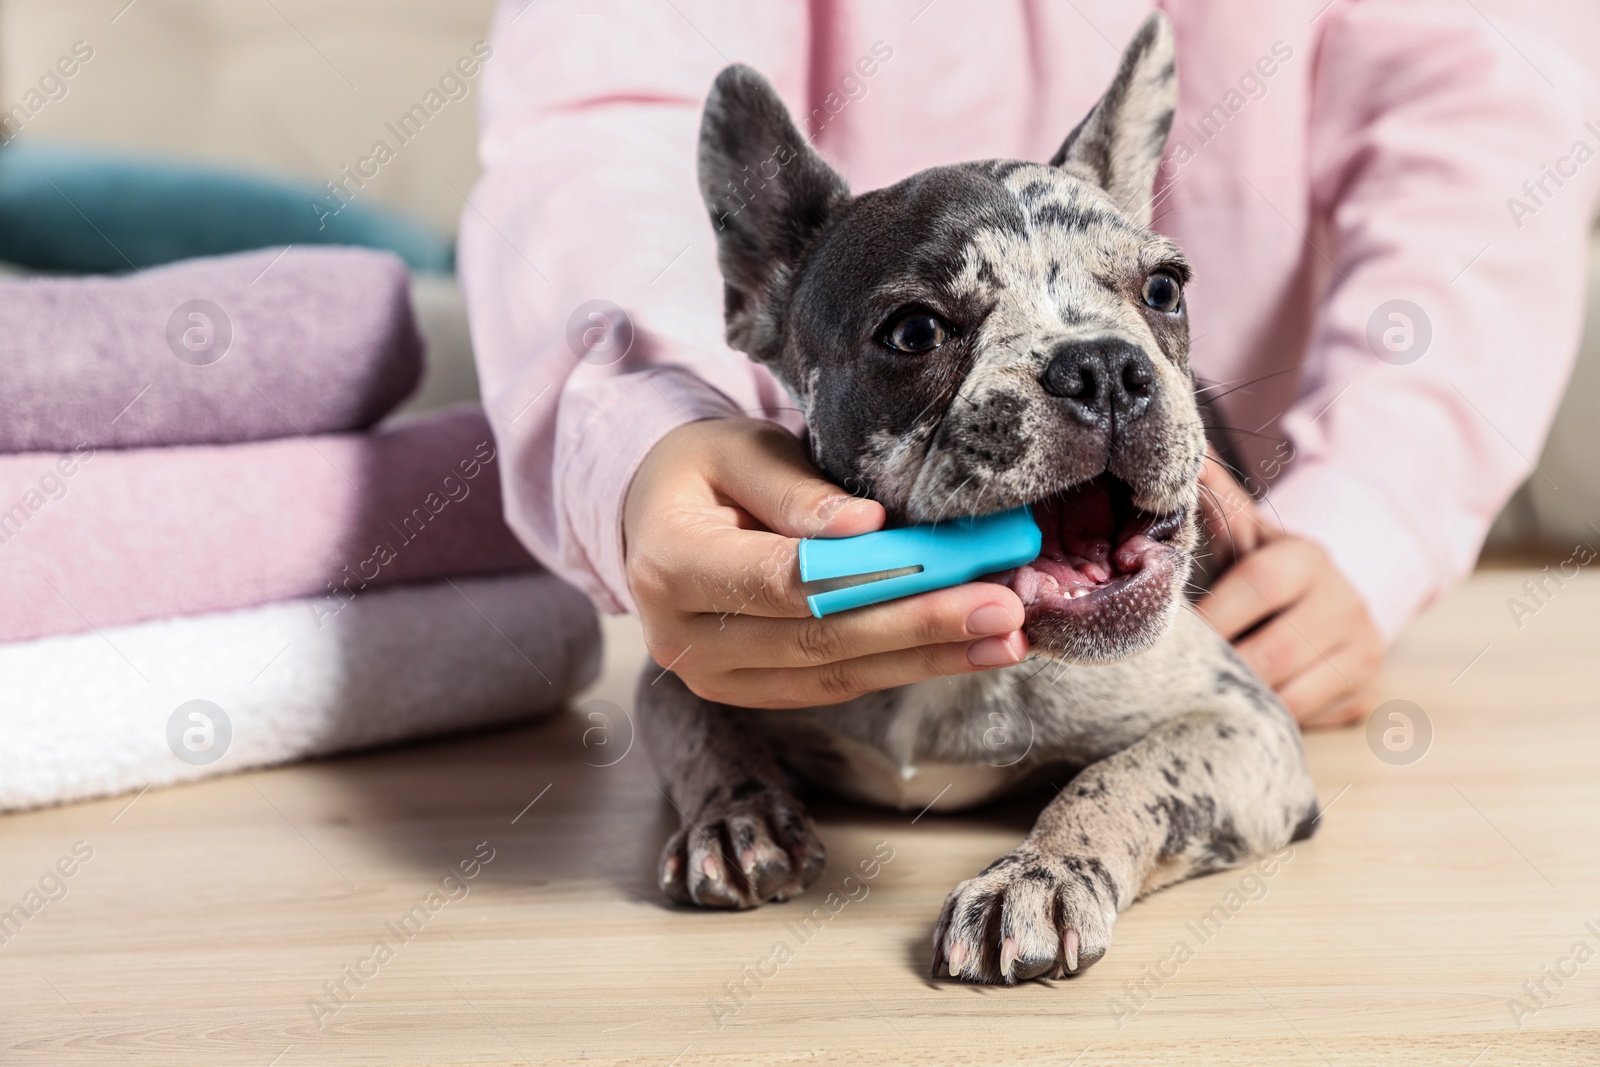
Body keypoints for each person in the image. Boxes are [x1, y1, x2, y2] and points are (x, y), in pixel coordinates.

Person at [458, 0, 1600, 726]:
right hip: (814, 614)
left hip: (1236, 588)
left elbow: (1494, 116)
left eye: (1155, 293)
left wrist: (1372, 514)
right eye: (918, 330)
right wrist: (646, 428)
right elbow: (601, 115)